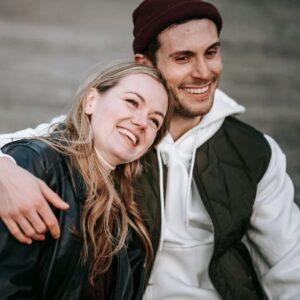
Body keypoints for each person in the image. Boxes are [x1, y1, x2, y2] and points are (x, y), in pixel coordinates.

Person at [0, 0, 300, 299]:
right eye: (183, 58)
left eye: (211, 52)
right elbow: (41, 144)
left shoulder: (255, 152)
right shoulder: (112, 135)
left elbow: (290, 265)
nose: (204, 72)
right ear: (145, 64)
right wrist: (4, 169)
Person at [0, 61, 173, 299]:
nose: (142, 122)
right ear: (91, 101)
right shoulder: (35, 165)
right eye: (132, 102)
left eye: (155, 120)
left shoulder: (129, 215)